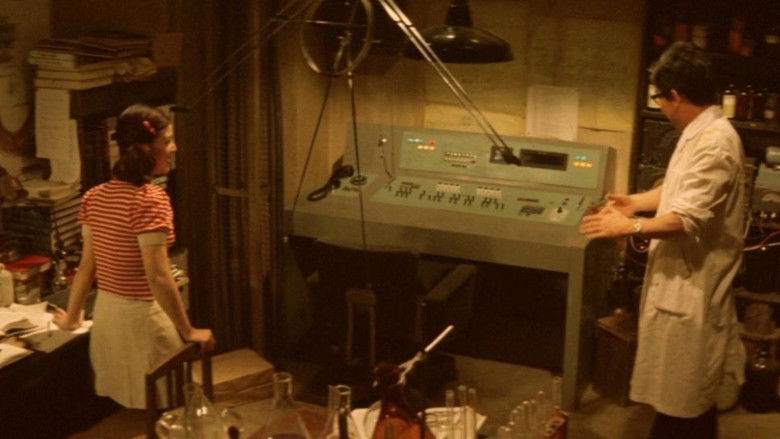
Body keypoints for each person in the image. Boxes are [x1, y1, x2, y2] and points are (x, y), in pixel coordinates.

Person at [579, 42, 746, 438]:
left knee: (686, 404)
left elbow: (686, 218)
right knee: (683, 402)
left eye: (659, 97)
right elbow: (678, 190)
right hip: (680, 283)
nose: (660, 106)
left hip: (695, 288)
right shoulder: (698, 133)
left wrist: (628, 227)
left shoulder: (715, 144)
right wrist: (634, 203)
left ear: (675, 95)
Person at [53, 104, 215, 409]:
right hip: (142, 321)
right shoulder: (149, 200)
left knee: (145, 406)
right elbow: (158, 276)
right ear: (145, 148)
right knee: (179, 406)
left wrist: (72, 318)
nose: (174, 148)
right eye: (167, 141)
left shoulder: (94, 197)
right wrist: (188, 330)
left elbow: (87, 265)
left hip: (108, 319)